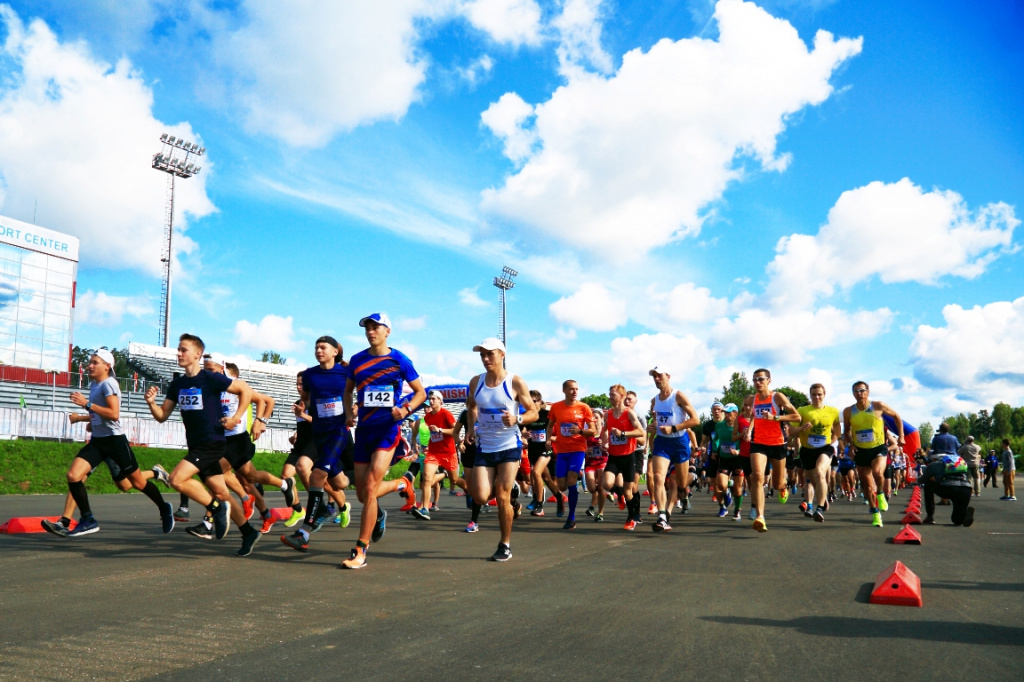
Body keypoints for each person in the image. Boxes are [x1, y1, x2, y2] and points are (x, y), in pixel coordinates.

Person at [145, 333, 261, 557]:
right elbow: (162, 416)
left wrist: (237, 417)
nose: (178, 353)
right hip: (196, 445)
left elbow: (245, 390)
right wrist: (151, 403)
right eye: (178, 350)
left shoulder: (210, 378)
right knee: (222, 492)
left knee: (177, 479)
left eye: (183, 350)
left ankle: (216, 509)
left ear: (197, 354)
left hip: (213, 443)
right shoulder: (178, 384)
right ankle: (248, 531)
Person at [43, 349, 174, 538]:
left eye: (95, 362)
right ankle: (86, 520)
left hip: (115, 442)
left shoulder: (109, 384)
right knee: (74, 475)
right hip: (98, 442)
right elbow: (101, 413)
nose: (90, 365)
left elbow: (114, 413)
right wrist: (86, 419)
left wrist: (86, 404)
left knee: (135, 483)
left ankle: (164, 508)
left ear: (107, 366)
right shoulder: (95, 385)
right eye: (90, 362)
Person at [340, 313, 422, 569]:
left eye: (376, 327)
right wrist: (349, 412)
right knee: (365, 495)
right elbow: (347, 390)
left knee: (372, 486)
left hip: (388, 430)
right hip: (364, 431)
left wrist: (406, 410)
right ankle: (401, 484)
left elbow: (421, 392)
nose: (370, 331)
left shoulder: (399, 359)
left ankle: (361, 550)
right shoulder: (357, 360)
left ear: (388, 330)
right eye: (367, 327)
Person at [465, 337, 538, 561]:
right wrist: (470, 428)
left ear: (502, 355)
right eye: (482, 355)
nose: (486, 359)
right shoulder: (476, 382)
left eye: (490, 354)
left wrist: (516, 418)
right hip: (484, 446)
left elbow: (533, 412)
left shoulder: (515, 382)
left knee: (502, 496)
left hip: (508, 446)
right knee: (479, 496)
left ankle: (504, 544)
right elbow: (472, 406)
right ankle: (515, 491)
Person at [281, 336, 355, 552]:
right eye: (316, 347)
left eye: (323, 347)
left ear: (334, 351)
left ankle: (304, 532)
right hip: (319, 433)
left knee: (316, 475)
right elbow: (306, 396)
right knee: (339, 482)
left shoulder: (346, 372)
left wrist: (354, 409)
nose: (318, 350)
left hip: (339, 432)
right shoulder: (310, 374)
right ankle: (355, 491)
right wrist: (303, 405)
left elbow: (357, 389)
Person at [740, 368, 801, 532]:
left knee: (776, 483)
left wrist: (776, 418)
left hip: (777, 443)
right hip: (758, 442)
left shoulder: (777, 397)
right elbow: (753, 415)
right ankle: (760, 516)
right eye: (754, 380)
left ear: (769, 380)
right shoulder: (753, 399)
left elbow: (797, 417)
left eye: (761, 379)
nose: (757, 383)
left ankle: (783, 487)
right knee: (757, 476)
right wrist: (750, 430)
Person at [842, 381, 904, 528]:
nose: (859, 393)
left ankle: (881, 494)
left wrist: (901, 435)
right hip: (861, 450)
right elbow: (846, 431)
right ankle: (875, 513)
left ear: (868, 392)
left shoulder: (878, 406)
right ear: (853, 393)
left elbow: (896, 416)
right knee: (868, 486)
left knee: (877, 473)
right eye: (856, 391)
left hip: (878, 448)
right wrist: (850, 445)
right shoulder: (848, 411)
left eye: (862, 390)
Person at [647, 366, 699, 532]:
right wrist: (653, 427)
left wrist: (674, 428)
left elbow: (695, 420)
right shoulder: (654, 401)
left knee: (681, 483)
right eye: (654, 376)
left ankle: (693, 477)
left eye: (659, 375)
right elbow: (657, 422)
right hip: (662, 442)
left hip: (679, 442)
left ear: (668, 376)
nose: (656, 379)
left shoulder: (678, 396)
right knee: (658, 477)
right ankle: (662, 515)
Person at [546, 379, 596, 530]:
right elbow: (549, 426)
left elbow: (593, 431)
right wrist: (548, 439)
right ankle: (561, 496)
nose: (575, 392)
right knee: (561, 486)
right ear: (564, 390)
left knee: (571, 481)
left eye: (576, 389)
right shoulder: (556, 407)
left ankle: (571, 517)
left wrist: (580, 431)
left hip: (578, 449)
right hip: (561, 450)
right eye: (571, 389)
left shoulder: (584, 407)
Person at [411, 390, 468, 519]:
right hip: (433, 452)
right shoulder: (427, 417)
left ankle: (471, 491)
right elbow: (427, 433)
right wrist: (419, 443)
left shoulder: (446, 414)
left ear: (440, 401)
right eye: (430, 399)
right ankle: (425, 508)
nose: (431, 401)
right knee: (426, 478)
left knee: (454, 480)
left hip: (448, 452)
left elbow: (455, 430)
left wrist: (440, 430)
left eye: (433, 399)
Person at [794, 384, 841, 523]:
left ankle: (819, 509)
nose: (817, 397)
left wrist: (830, 443)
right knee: (811, 480)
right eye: (814, 394)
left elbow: (838, 433)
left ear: (824, 394)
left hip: (824, 448)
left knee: (821, 472)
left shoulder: (833, 411)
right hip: (808, 450)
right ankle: (822, 497)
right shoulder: (802, 410)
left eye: (819, 394)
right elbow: (790, 431)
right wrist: (802, 428)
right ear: (810, 395)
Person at [602, 384, 645, 529]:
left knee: (629, 492)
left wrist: (623, 434)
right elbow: (605, 431)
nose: (610, 397)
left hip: (628, 456)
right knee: (606, 483)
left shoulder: (629, 414)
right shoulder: (608, 414)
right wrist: (604, 442)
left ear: (621, 397)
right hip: (614, 456)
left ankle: (631, 517)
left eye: (612, 394)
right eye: (609, 394)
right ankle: (619, 495)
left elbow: (641, 433)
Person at [921, 455, 975, 526]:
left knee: (928, 485)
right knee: (956, 520)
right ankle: (965, 515)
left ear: (934, 458)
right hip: (966, 489)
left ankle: (930, 516)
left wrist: (915, 481)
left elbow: (922, 479)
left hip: (949, 488)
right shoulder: (960, 463)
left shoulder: (935, 464)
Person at [713, 403, 744, 519]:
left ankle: (737, 511)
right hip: (724, 459)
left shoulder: (741, 426)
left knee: (737, 489)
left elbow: (746, 443)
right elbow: (716, 439)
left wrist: (739, 451)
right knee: (720, 484)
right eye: (724, 412)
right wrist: (715, 450)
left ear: (735, 413)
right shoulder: (719, 426)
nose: (726, 415)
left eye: (728, 413)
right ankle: (726, 494)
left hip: (737, 460)